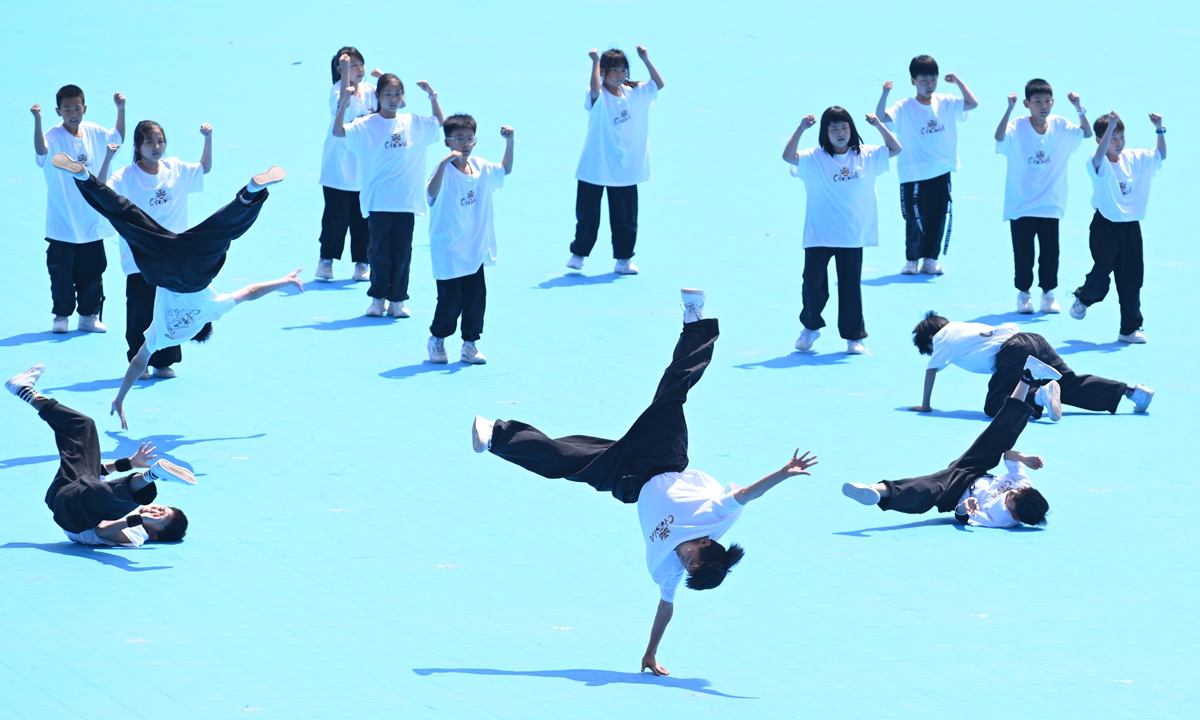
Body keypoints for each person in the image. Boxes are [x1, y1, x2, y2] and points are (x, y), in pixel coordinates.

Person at [471, 290, 818, 676]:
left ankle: (495, 435)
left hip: (629, 480)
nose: (683, 559)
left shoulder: (668, 571)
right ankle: (695, 322)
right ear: (705, 543)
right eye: (691, 557)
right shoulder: (714, 517)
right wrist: (783, 474)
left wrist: (651, 652)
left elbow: (666, 608)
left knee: (564, 462)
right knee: (672, 393)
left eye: (686, 566)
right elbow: (748, 494)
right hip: (664, 457)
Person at [48, 152, 296, 429]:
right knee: (128, 220)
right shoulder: (163, 336)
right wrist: (120, 398)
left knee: (223, 231)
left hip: (196, 268)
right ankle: (84, 178)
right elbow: (138, 364)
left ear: (207, 326)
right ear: (192, 335)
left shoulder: (211, 310)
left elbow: (250, 291)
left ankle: (249, 193)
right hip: (160, 269)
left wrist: (282, 281)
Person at [843, 357, 1057, 528]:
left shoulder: (1001, 519)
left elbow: (961, 517)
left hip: (955, 491)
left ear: (1016, 515)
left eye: (1010, 500)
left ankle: (873, 490)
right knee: (1000, 434)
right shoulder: (1023, 486)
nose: (1009, 494)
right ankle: (1028, 376)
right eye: (1014, 493)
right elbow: (1007, 455)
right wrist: (1024, 458)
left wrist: (965, 506)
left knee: (925, 489)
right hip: (977, 469)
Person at [6, 365, 193, 547]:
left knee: (112, 492)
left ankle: (152, 475)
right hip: (68, 489)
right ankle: (24, 391)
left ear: (154, 535)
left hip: (74, 516)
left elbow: (102, 531)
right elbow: (96, 473)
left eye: (160, 519)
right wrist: (128, 463)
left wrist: (139, 519)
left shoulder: (138, 534)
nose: (155, 512)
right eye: (161, 509)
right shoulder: (122, 505)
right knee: (84, 427)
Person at [782, 107, 901, 355]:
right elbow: (788, 156)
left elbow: (895, 149)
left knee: (850, 287)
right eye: (834, 128)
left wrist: (879, 125)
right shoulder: (814, 157)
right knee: (812, 284)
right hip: (819, 234)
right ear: (825, 133)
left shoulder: (866, 154)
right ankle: (811, 328)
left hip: (852, 234)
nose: (840, 133)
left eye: (844, 127)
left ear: (852, 130)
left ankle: (854, 337)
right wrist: (800, 129)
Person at [102, 120, 213, 380]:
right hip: (140, 256)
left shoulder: (175, 168)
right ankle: (137, 361)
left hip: (173, 257)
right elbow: (101, 190)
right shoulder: (127, 176)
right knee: (141, 307)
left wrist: (208, 139)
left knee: (169, 308)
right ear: (138, 146)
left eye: (160, 141)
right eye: (149, 142)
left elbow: (203, 169)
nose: (156, 147)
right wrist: (108, 158)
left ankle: (164, 362)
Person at [333, 64, 444, 318]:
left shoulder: (412, 122)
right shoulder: (366, 124)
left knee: (402, 253)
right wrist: (344, 104)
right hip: (379, 201)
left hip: (406, 201)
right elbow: (338, 131)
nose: (392, 100)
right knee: (379, 252)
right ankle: (378, 299)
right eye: (387, 95)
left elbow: (439, 123)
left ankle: (397, 301)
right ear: (378, 97)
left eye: (397, 95)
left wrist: (433, 95)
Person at [908, 312, 1153, 418]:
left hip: (1013, 352)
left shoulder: (942, 337)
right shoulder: (962, 326)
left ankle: (1038, 396)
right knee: (1068, 383)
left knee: (995, 404)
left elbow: (931, 370)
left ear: (930, 338)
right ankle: (1133, 392)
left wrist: (926, 405)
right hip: (1034, 340)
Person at [32, 85, 126, 334]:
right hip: (62, 221)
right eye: (67, 109)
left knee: (93, 271)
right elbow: (41, 152)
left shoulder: (94, 131)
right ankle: (61, 316)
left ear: (84, 108)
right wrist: (38, 120)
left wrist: (121, 109)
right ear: (58, 111)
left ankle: (88, 317)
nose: (73, 113)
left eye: (77, 108)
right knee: (61, 272)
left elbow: (117, 137)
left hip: (91, 220)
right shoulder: (53, 136)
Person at [995, 79, 1092, 314]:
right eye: (1037, 101)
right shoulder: (1016, 126)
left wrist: (1079, 107)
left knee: (1050, 254)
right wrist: (1008, 109)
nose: (1043, 105)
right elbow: (999, 139)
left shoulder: (1060, 125)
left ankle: (1048, 294)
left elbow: (1087, 134)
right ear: (1027, 104)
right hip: (1021, 205)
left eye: (1047, 101)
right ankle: (1024, 295)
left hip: (1051, 204)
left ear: (1053, 102)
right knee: (1024, 255)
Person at [1069, 111, 1167, 344]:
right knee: (1102, 273)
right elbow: (1098, 158)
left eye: (1121, 137)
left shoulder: (1135, 158)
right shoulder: (1097, 162)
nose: (1119, 143)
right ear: (1101, 141)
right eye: (1112, 138)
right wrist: (1110, 123)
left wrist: (1159, 128)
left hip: (1131, 228)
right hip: (1105, 225)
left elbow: (1160, 155)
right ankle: (1083, 299)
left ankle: (1129, 329)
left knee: (1132, 277)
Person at [876, 55, 978, 275]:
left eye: (933, 79)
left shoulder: (946, 102)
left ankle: (931, 259)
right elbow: (881, 117)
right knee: (915, 218)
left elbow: (972, 104)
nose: (929, 85)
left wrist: (959, 82)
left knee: (938, 215)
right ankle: (912, 260)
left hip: (941, 169)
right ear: (913, 81)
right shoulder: (904, 107)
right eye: (924, 80)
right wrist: (884, 94)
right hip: (914, 172)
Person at [567, 46, 665, 275]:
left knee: (626, 218)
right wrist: (594, 62)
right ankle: (578, 254)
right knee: (587, 216)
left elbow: (658, 84)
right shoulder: (599, 96)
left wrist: (646, 59)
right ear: (603, 72)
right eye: (614, 70)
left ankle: (623, 260)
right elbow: (593, 88)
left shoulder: (635, 92)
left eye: (624, 70)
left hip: (627, 168)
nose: (620, 74)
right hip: (596, 165)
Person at [425, 116, 514, 365]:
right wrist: (443, 165)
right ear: (447, 141)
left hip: (475, 249)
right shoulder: (442, 170)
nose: (465, 143)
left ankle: (470, 345)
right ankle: (437, 340)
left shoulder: (482, 166)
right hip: (449, 251)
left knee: (476, 300)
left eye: (469, 138)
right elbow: (431, 193)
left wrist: (510, 142)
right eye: (459, 138)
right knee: (450, 302)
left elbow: (505, 169)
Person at [316, 46, 382, 283]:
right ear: (341, 69)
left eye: (360, 64)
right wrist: (344, 75)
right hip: (338, 167)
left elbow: (398, 103)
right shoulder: (337, 90)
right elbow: (344, 109)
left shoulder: (372, 90)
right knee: (335, 218)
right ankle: (326, 260)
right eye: (352, 65)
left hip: (365, 167)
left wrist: (383, 78)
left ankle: (362, 262)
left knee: (363, 220)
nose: (359, 69)